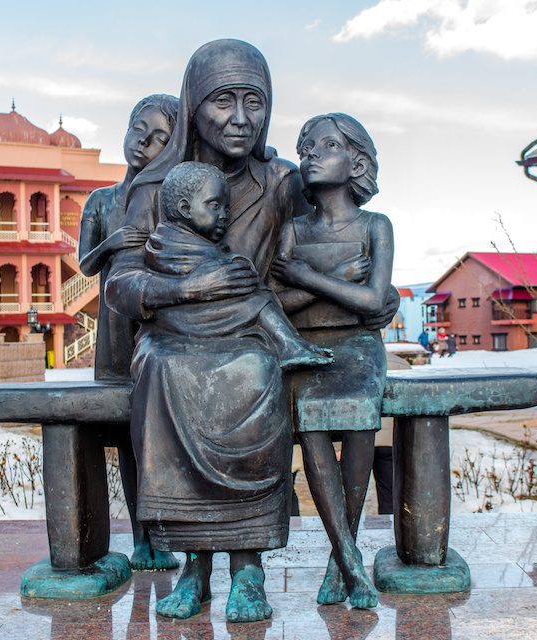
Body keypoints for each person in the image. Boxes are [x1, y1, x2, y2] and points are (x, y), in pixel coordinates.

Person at [104, 39, 399, 623]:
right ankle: (193, 564)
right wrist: (182, 292)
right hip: (174, 333)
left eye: (254, 102)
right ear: (193, 104)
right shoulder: (153, 187)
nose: (241, 119)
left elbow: (336, 226)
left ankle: (248, 567)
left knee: (260, 369)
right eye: (222, 101)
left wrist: (372, 292)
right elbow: (121, 282)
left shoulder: (282, 181)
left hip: (254, 333)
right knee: (164, 369)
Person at [270, 113, 392, 609]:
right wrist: (338, 276)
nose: (311, 155)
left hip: (359, 345)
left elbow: (371, 303)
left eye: (327, 145)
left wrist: (307, 276)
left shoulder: (375, 226)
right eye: (305, 149)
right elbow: (275, 305)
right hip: (306, 347)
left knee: (361, 417)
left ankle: (341, 558)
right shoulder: (293, 230)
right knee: (313, 421)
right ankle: (348, 558)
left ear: (356, 161)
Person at [77, 93, 180, 572]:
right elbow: (84, 261)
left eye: (160, 136)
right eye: (140, 127)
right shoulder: (101, 202)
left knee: (158, 437)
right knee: (125, 438)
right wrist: (118, 241)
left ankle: (167, 533)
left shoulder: (170, 199)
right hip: (115, 329)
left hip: (158, 323)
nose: (145, 141)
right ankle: (141, 540)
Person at [146, 161, 333, 368]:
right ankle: (290, 346)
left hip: (200, 314)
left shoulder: (193, 240)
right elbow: (190, 267)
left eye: (226, 208)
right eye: (215, 206)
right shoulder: (170, 242)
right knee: (258, 301)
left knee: (257, 295)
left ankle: (292, 344)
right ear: (184, 208)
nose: (224, 215)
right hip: (185, 317)